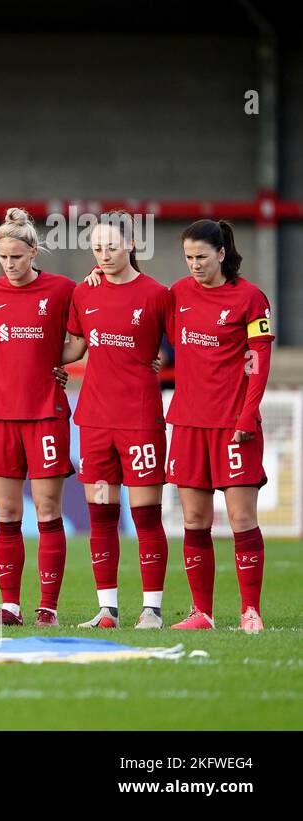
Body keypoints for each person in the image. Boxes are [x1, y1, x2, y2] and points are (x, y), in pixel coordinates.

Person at [0, 208, 76, 627]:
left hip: (46, 414)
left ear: (33, 251)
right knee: (6, 514)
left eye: (17, 256)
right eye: (3, 257)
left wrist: (56, 362)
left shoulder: (63, 289)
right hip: (3, 416)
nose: (9, 265)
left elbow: (81, 338)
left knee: (47, 511)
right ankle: (10, 606)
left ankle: (48, 608)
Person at [62, 216, 172, 629]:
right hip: (94, 422)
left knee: (145, 516)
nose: (104, 255)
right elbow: (74, 347)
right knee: (102, 514)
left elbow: (181, 344)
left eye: (111, 246)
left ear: (131, 244)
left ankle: (152, 610)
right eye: (96, 248)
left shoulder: (157, 295)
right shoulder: (83, 293)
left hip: (140, 420)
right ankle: (107, 610)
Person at [163, 219, 273, 633]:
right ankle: (202, 613)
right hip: (189, 423)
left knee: (242, 518)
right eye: (189, 257)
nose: (194, 264)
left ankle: (250, 611)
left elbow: (259, 364)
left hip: (234, 424)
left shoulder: (250, 299)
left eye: (202, 257)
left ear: (222, 254)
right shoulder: (177, 295)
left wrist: (248, 414)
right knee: (194, 520)